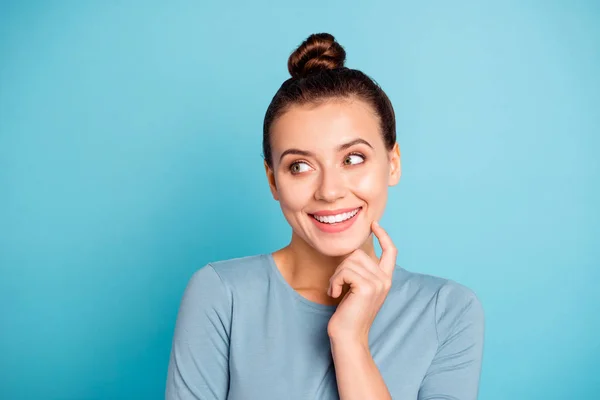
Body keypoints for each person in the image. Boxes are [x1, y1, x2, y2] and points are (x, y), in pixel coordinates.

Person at [165, 33, 485, 400]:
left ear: (392, 163)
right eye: (299, 166)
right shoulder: (221, 296)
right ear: (273, 181)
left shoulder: (447, 311)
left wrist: (350, 341)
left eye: (352, 159)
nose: (329, 191)